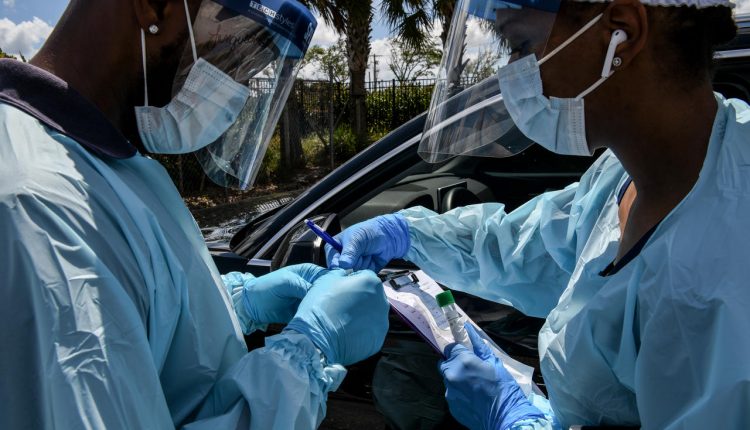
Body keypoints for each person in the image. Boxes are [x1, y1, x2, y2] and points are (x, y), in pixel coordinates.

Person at [326, 0, 750, 428]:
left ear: (622, 31)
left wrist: (513, 420)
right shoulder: (632, 171)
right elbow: (529, 247)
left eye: (522, 44)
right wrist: (407, 232)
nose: (512, 71)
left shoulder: (719, 267)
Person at [0, 0, 389, 428]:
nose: (239, 86)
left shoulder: (106, 165)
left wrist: (238, 303)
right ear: (155, 7)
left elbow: (143, 322)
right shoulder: (40, 207)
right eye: (235, 54)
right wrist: (306, 355)